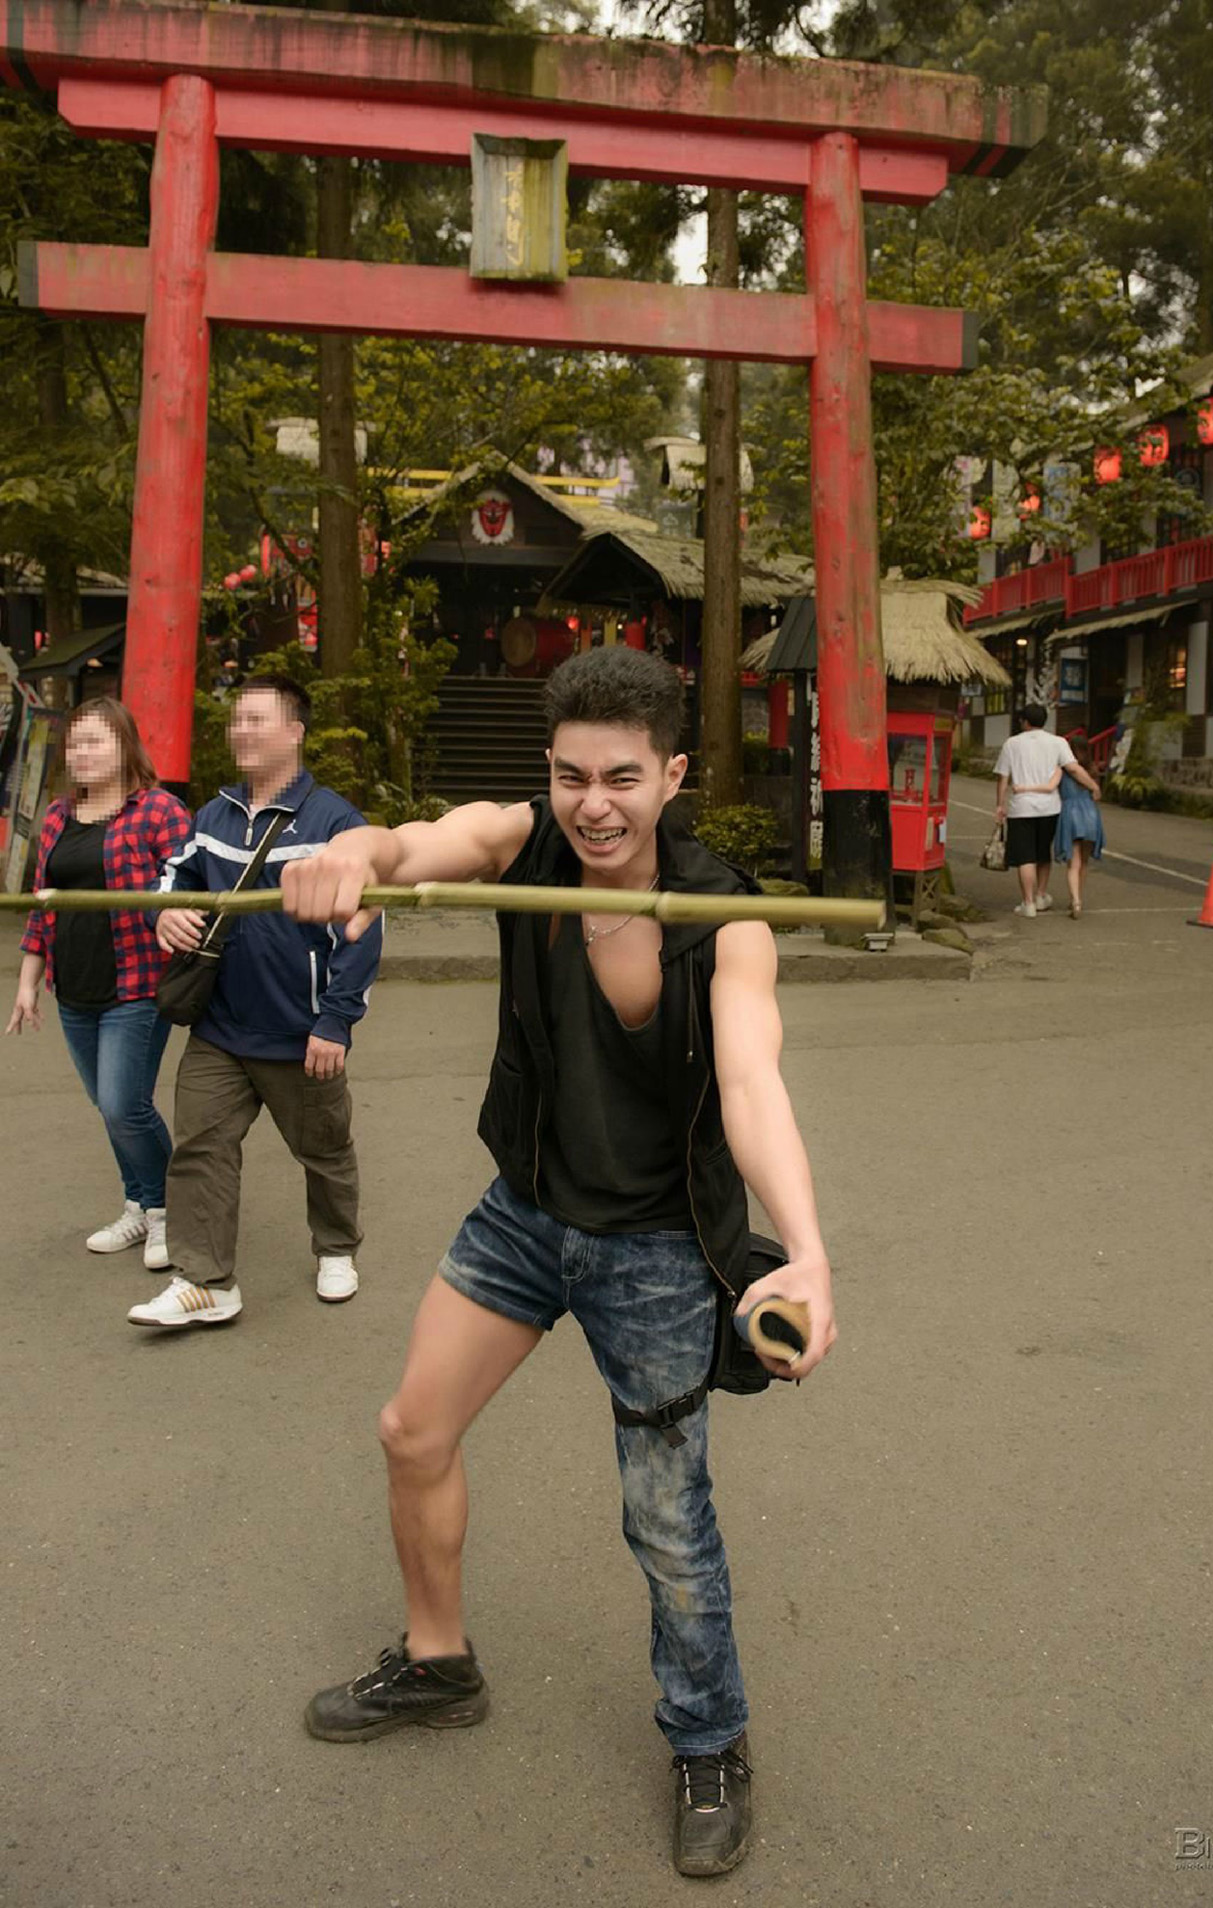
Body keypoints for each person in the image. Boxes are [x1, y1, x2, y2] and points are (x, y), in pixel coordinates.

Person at [280, 647, 837, 1879]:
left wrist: (804, 1251)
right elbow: (414, 843)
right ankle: (440, 1664)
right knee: (412, 1431)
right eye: (572, 776)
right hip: (526, 1213)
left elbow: (752, 1083)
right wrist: (352, 854)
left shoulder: (723, 915)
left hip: (656, 1248)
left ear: (672, 776)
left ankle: (710, 1739)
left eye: (623, 779)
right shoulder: (522, 842)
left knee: (666, 1518)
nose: (594, 805)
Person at [128, 673, 382, 1330]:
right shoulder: (211, 815)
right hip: (219, 1026)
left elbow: (362, 931)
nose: (240, 730)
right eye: (236, 719)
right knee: (200, 1147)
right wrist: (166, 912)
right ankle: (205, 1281)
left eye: (256, 719)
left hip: (301, 1031)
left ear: (294, 732)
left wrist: (336, 1020)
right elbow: (172, 878)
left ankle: (336, 1247)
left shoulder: (334, 822)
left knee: (323, 1149)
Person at [6, 699, 190, 1269]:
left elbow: (187, 886)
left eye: (95, 741)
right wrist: (28, 982)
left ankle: (167, 1211)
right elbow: (44, 906)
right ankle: (138, 1203)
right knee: (108, 1105)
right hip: (75, 987)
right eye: (75, 743)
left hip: (137, 985)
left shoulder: (159, 811)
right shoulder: (57, 816)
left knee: (122, 1104)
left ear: (125, 745)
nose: (81, 753)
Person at [994, 704, 1100, 918]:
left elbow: (1003, 777)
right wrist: (1093, 786)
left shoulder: (1011, 744)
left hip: (1021, 807)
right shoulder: (1058, 742)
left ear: (1024, 721)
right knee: (1042, 853)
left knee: (1025, 857)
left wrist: (1000, 804)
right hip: (1050, 808)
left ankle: (1028, 903)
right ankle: (1041, 895)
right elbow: (1074, 769)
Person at [1053, 735, 1106, 918]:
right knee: (1084, 861)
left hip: (1070, 813)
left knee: (1073, 862)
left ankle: (1075, 901)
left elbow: (1054, 787)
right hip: (1090, 814)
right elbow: (1096, 796)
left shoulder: (1063, 769)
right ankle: (1078, 898)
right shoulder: (1092, 770)